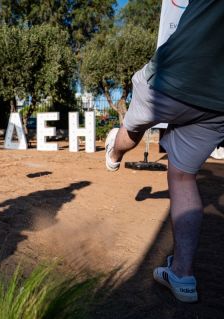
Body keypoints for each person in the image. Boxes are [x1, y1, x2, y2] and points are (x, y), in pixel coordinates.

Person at [105, 0, 224, 303]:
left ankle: (114, 154)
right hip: (218, 101)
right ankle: (183, 276)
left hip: (173, 76)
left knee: (132, 130)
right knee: (184, 176)